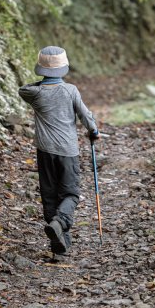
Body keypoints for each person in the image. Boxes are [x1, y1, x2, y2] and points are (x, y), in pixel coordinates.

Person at [18, 46, 99, 255]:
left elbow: (23, 89)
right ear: (63, 68)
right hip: (68, 151)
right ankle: (60, 222)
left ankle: (59, 244)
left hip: (45, 151)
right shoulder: (70, 90)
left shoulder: (34, 93)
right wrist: (93, 131)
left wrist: (44, 81)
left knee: (50, 195)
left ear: (41, 70)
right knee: (70, 194)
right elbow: (85, 115)